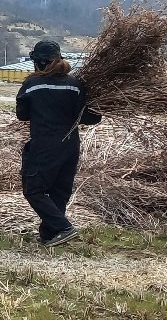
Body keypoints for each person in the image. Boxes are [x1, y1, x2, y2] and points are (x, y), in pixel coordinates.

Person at [16, 40, 102, 247]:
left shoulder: (32, 85)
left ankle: (64, 228)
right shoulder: (76, 85)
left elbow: (22, 114)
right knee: (59, 191)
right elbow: (92, 117)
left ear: (40, 62)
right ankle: (50, 235)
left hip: (45, 145)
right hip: (70, 146)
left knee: (33, 190)